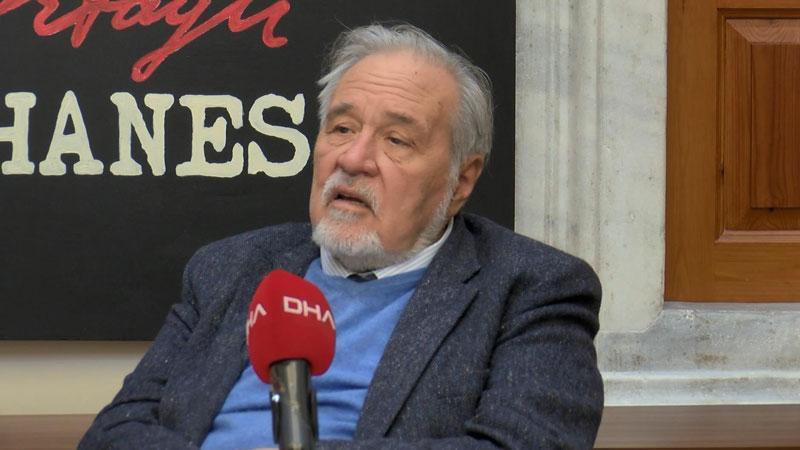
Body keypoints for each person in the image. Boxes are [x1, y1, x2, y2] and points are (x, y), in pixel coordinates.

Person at [79, 23, 603, 449]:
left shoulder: (532, 288)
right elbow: (114, 432)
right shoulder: (228, 268)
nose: (353, 159)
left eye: (396, 140)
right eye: (342, 128)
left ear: (460, 181)